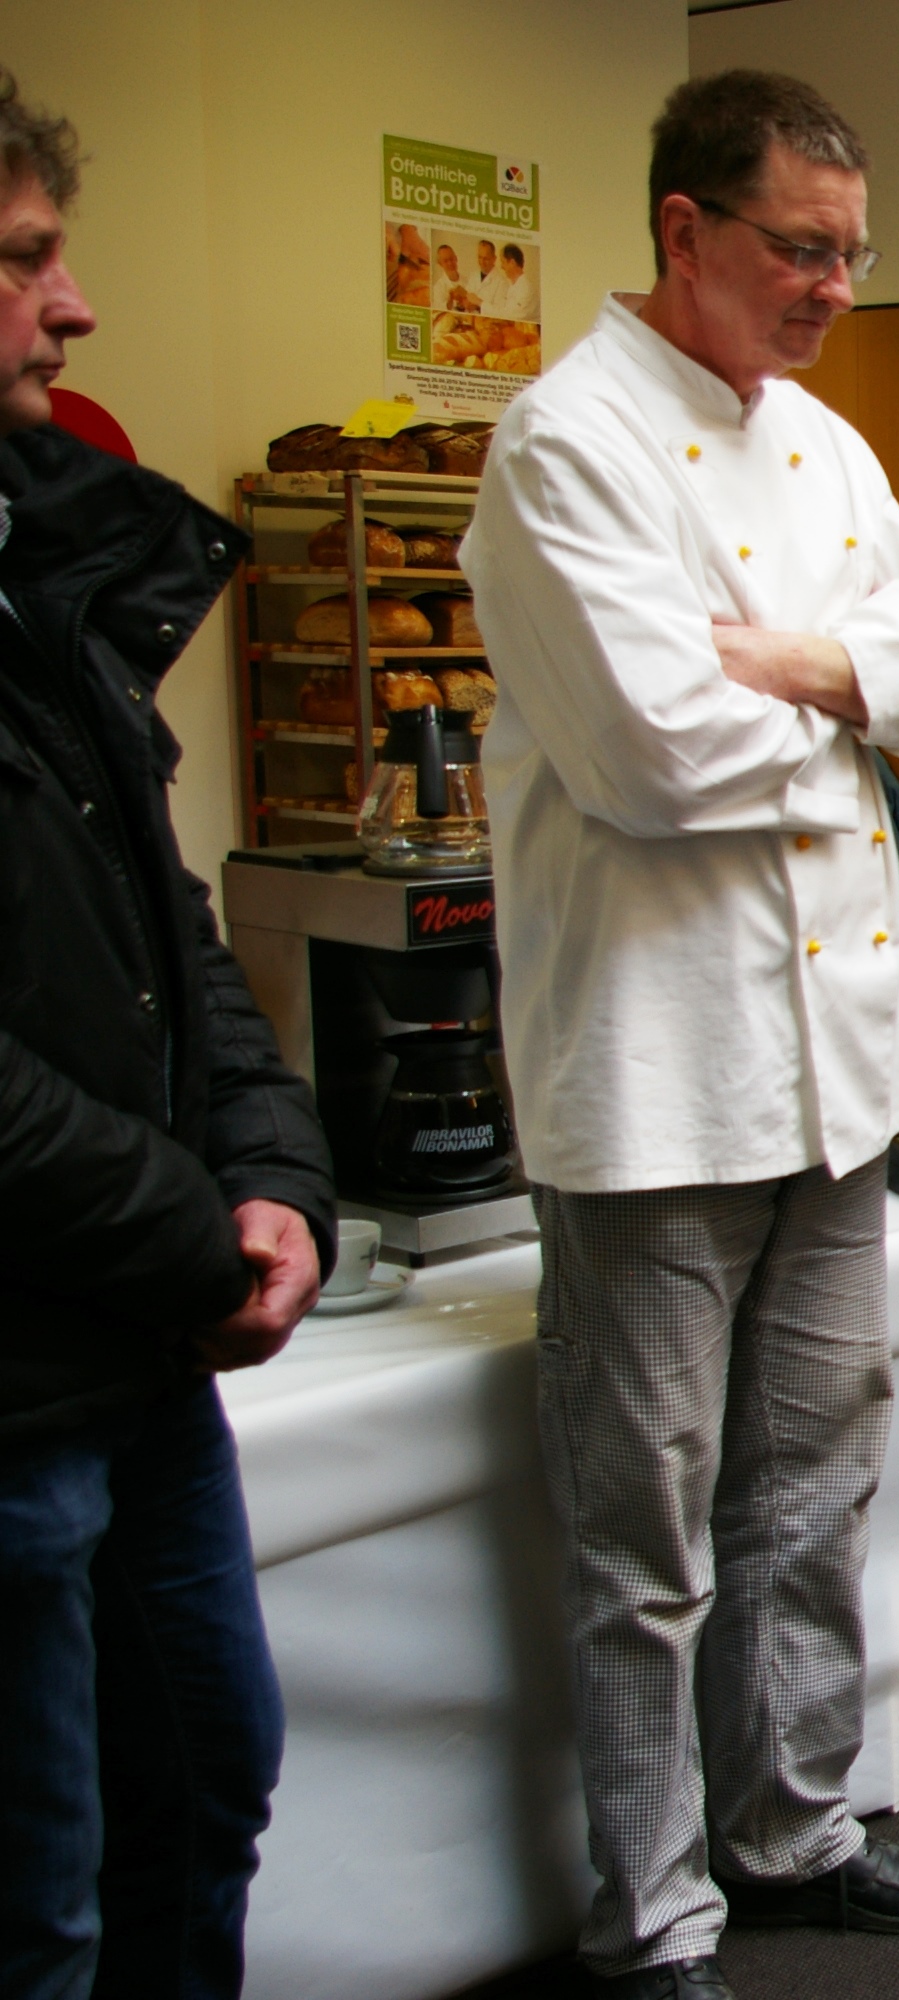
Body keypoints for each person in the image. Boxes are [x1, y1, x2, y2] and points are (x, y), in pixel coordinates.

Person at [461, 71, 899, 1996]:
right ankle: (652, 1916)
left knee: (814, 1484)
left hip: (839, 1074)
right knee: (647, 1537)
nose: (837, 288)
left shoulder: (826, 447)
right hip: (658, 1084)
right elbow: (651, 755)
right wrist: (859, 702)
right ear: (683, 232)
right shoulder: (564, 445)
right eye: (803, 248)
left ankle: (792, 1831)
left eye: (854, 254)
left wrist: (792, 662)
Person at [0, 73, 338, 2000]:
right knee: (33, 1911)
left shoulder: (42, 586)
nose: (75, 305)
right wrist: (187, 1229)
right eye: (25, 261)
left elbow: (173, 941)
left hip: (139, 1368)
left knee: (205, 1795)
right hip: (25, 1388)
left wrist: (275, 1171)